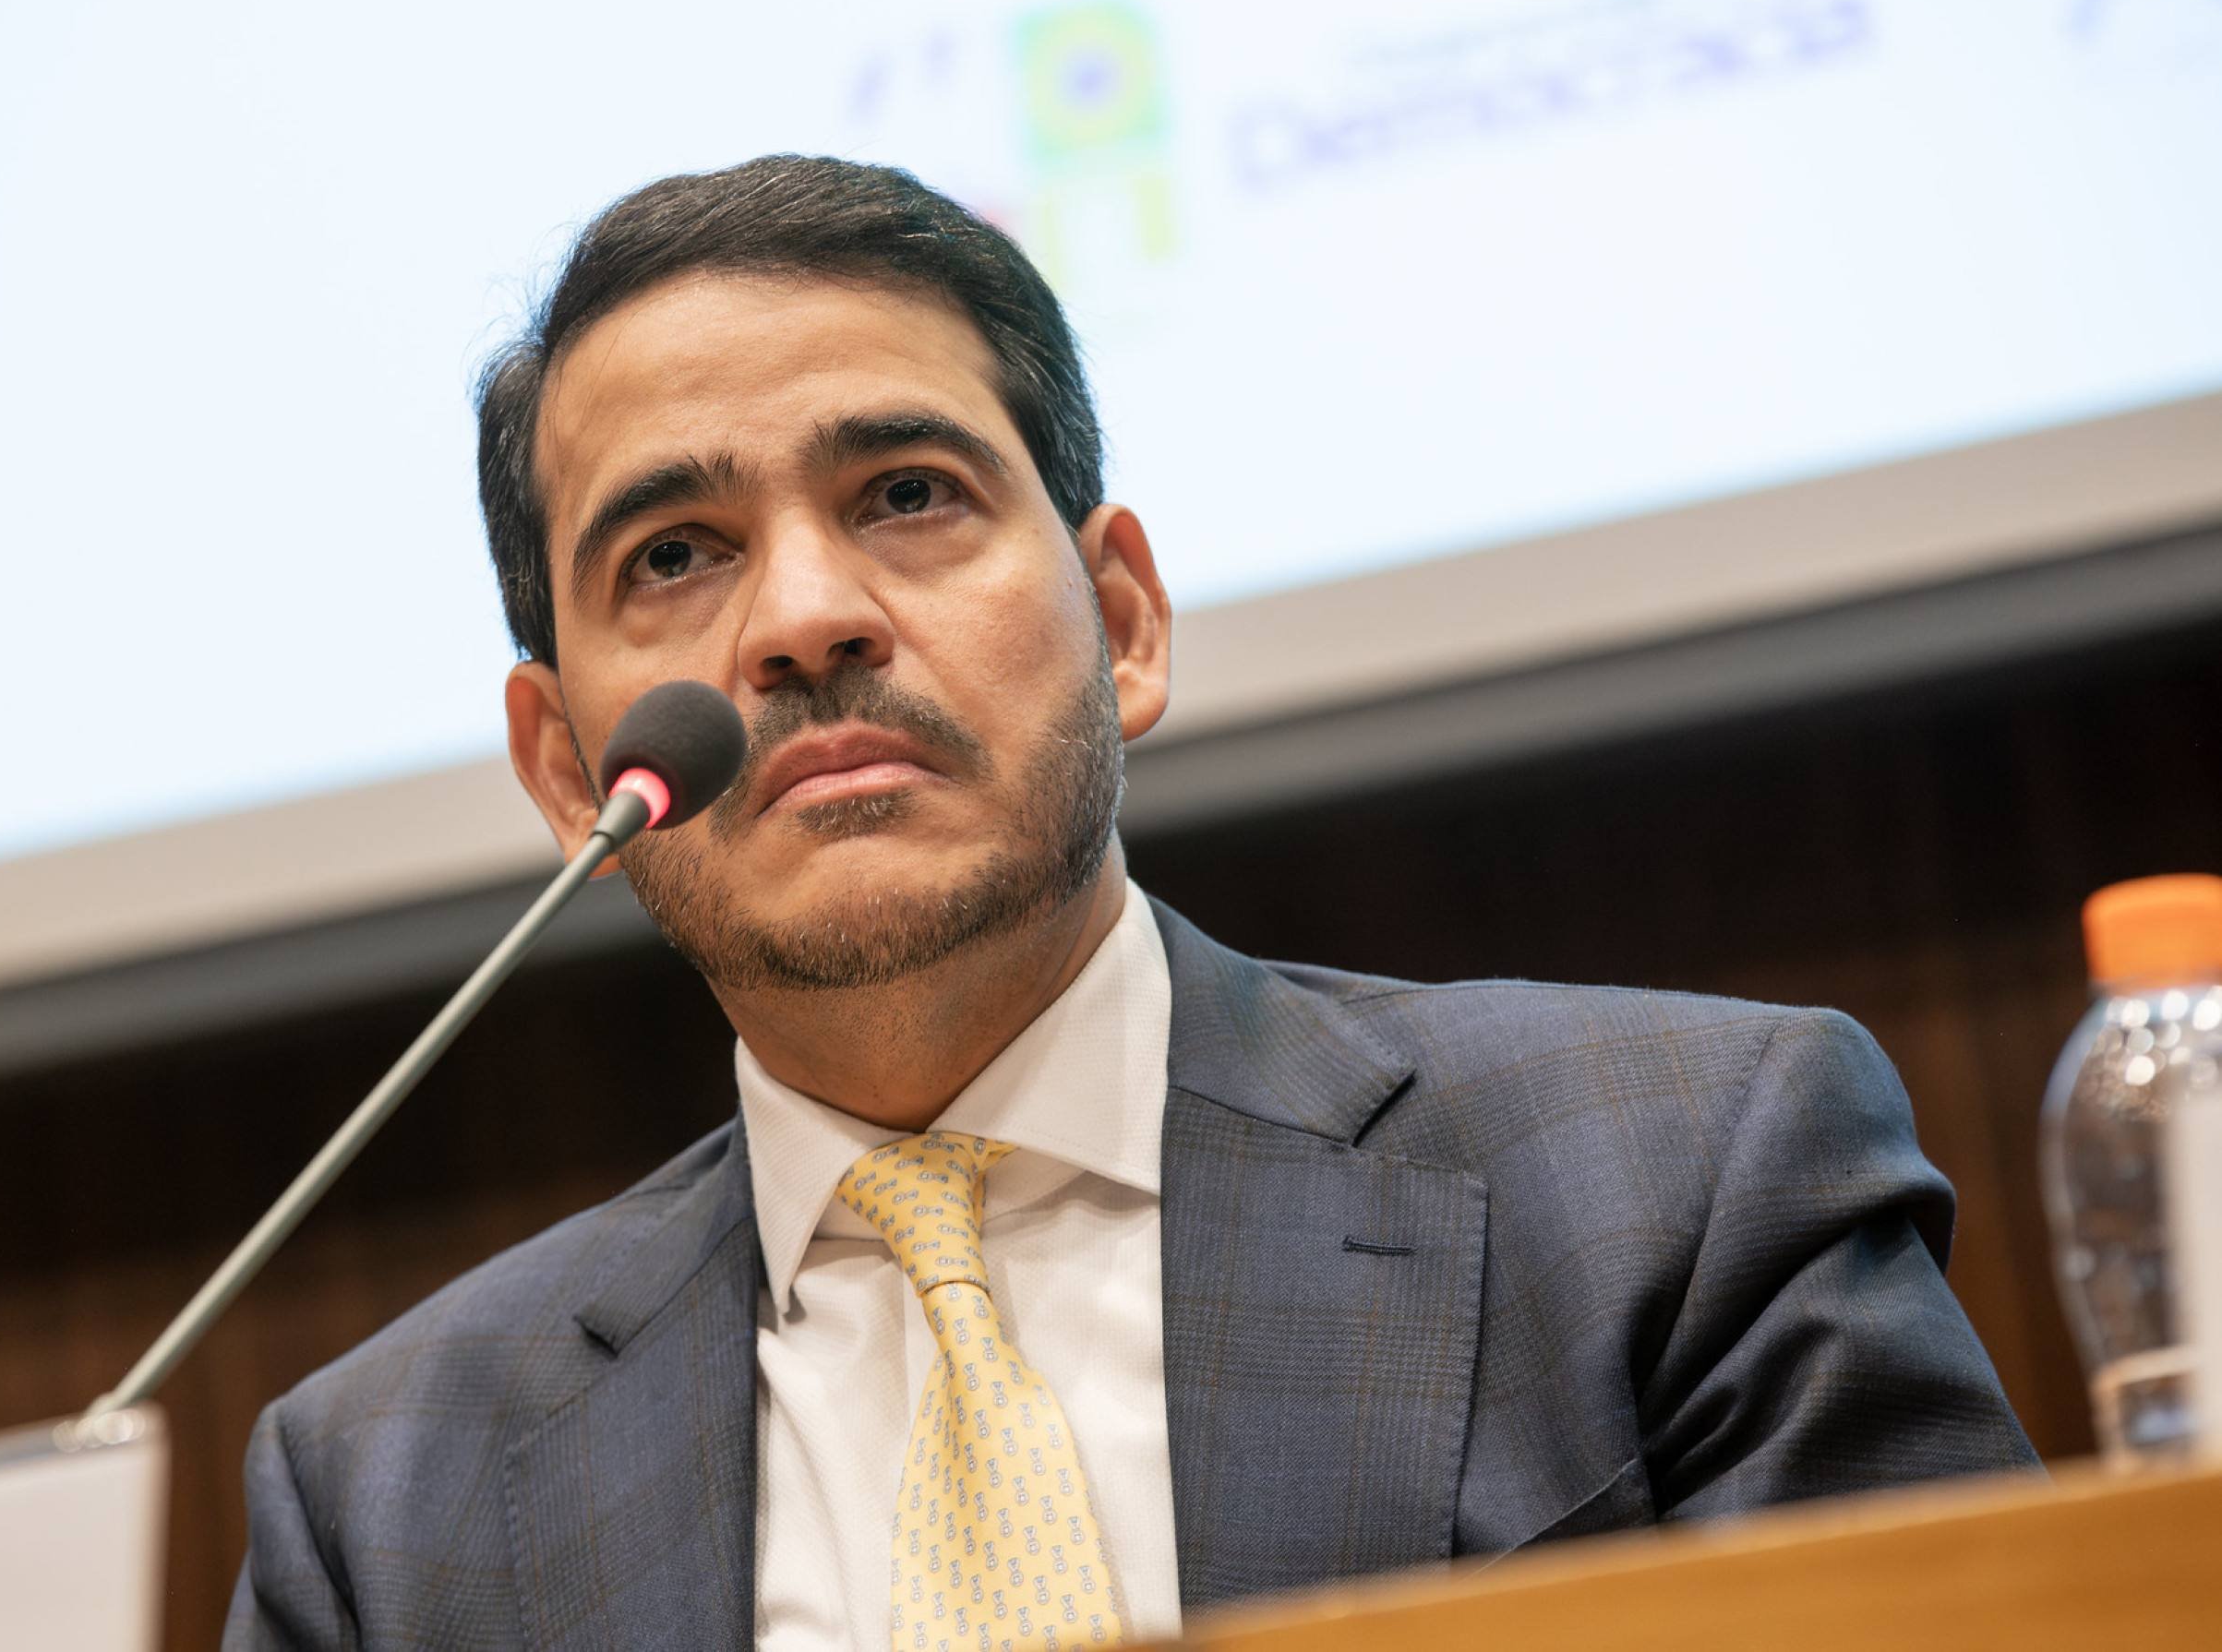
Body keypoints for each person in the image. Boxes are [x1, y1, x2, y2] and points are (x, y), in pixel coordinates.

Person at [225, 156, 2035, 1651]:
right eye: (674, 554)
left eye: (906, 494)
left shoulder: (1679, 1186)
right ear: (567, 771)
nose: (804, 619)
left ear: (1125, 624)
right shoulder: (386, 1508)